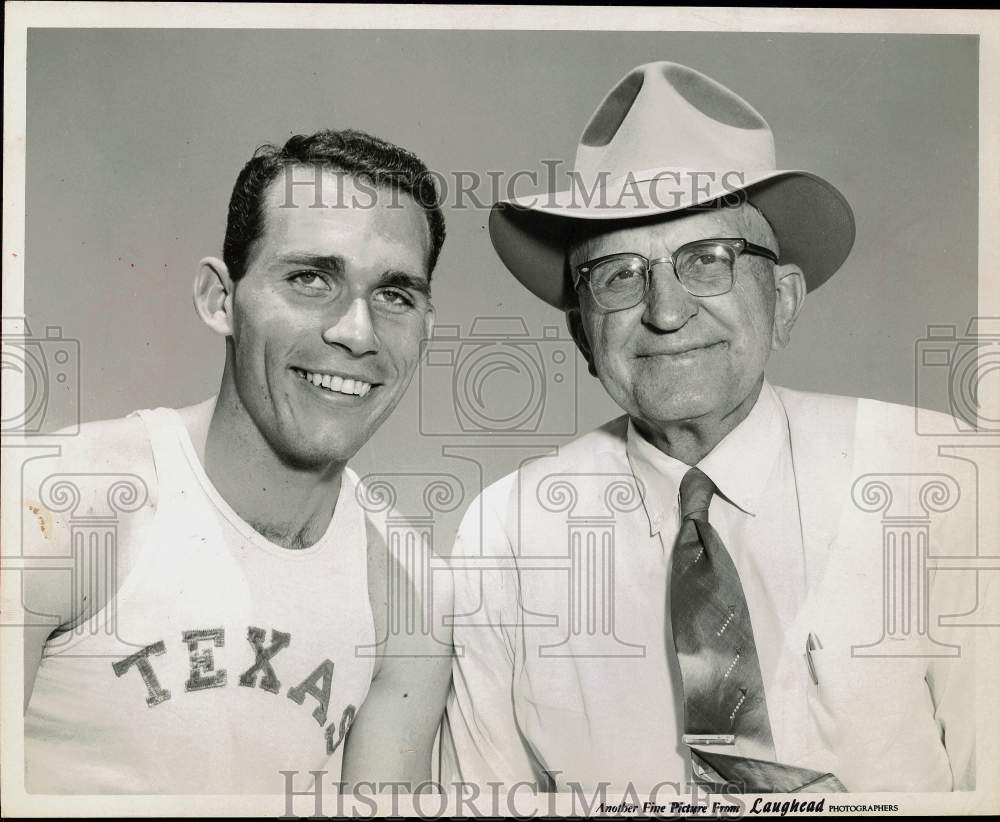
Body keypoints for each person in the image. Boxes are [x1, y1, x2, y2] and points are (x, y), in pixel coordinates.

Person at [443, 62, 979, 793]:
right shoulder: (504, 532)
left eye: (707, 261)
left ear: (784, 300)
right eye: (619, 274)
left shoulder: (937, 475)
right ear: (582, 334)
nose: (666, 311)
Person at [22, 128, 452, 794]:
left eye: (395, 296)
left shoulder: (411, 589)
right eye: (311, 279)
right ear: (220, 298)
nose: (356, 333)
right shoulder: (61, 500)